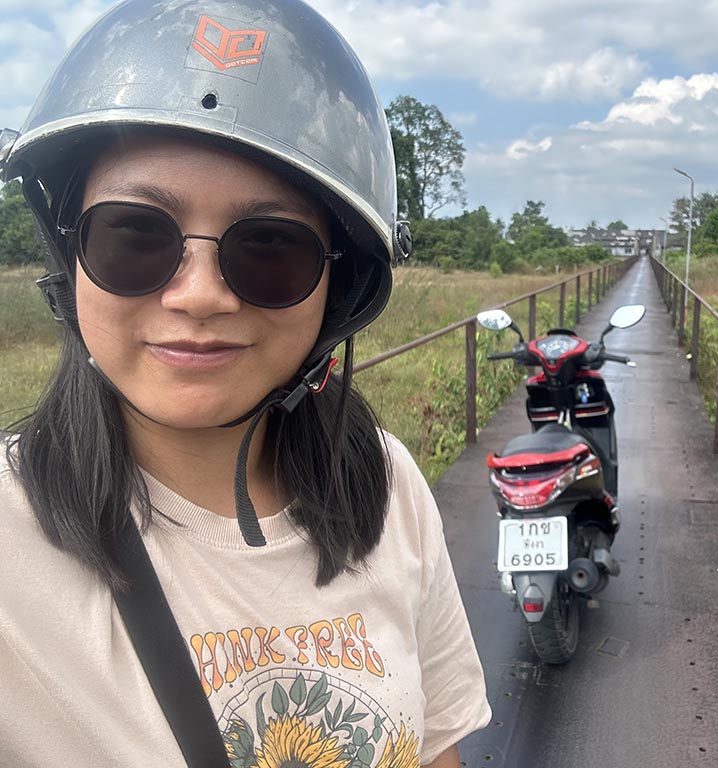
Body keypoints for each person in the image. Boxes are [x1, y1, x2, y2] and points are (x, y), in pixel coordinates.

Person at [0, 1, 490, 765]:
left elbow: (436, 748)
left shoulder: (385, 482)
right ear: (71, 257)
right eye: (135, 234)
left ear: (338, 291)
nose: (199, 295)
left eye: (270, 248)